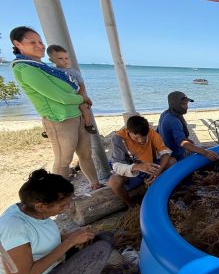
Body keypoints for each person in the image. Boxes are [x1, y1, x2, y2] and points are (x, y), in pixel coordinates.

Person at [0, 169, 116, 274]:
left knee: (104, 237)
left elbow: (38, 238)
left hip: (48, 272)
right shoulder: (14, 228)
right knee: (100, 250)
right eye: (62, 205)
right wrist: (69, 243)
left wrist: (66, 238)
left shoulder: (29, 209)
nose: (67, 208)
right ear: (41, 206)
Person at [10, 26, 103, 190]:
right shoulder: (26, 69)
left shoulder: (44, 67)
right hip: (60, 120)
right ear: (17, 44)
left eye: (40, 41)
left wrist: (79, 101)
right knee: (63, 161)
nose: (39, 45)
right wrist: (83, 98)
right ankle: (60, 196)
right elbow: (62, 97)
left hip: (77, 115)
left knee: (86, 155)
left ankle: (95, 184)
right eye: (32, 42)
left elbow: (69, 90)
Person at [108, 115, 175, 207]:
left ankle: (167, 191)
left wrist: (159, 170)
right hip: (131, 171)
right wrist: (138, 166)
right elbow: (116, 165)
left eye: (144, 137)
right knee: (114, 181)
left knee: (172, 162)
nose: (141, 141)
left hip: (151, 166)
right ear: (128, 131)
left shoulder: (150, 132)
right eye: (136, 138)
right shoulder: (118, 138)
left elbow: (166, 152)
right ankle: (132, 205)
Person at [46, 44, 96, 134]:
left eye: (66, 58)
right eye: (60, 58)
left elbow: (82, 86)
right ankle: (49, 128)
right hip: (63, 97)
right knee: (50, 109)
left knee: (84, 107)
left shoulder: (74, 72)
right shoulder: (52, 71)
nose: (65, 61)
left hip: (76, 96)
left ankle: (88, 124)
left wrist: (79, 97)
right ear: (51, 60)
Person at [157, 91, 219, 161]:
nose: (187, 107)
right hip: (177, 155)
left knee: (205, 148)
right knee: (214, 151)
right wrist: (205, 153)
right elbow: (182, 143)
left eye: (187, 104)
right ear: (175, 104)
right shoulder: (174, 121)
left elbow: (158, 133)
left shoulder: (164, 114)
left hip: (168, 152)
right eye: (183, 104)